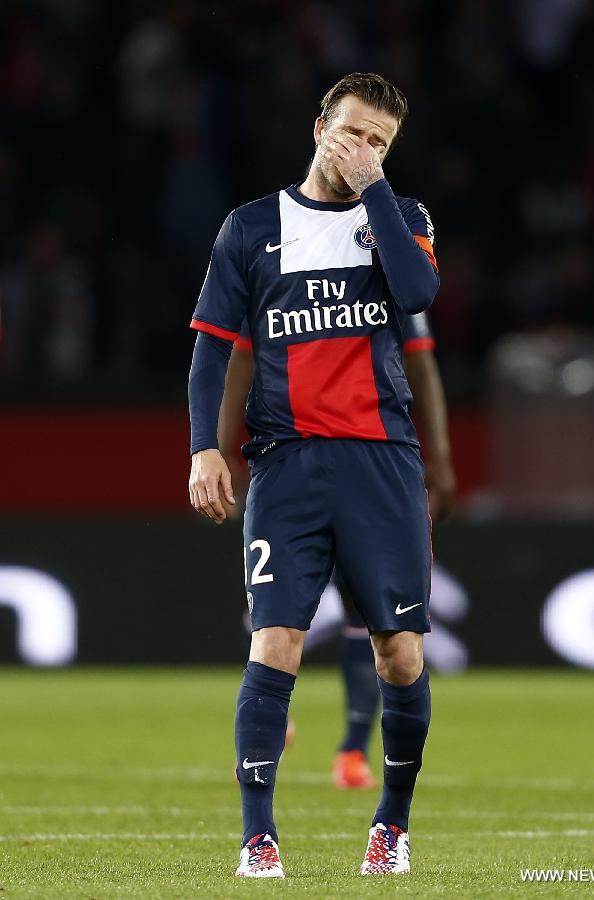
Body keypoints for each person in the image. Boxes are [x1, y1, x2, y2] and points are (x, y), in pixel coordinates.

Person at [187, 72, 440, 878]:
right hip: (287, 463)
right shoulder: (252, 227)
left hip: (382, 464)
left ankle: (391, 826)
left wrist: (375, 193)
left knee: (399, 654)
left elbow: (418, 290)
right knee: (276, 641)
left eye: (381, 142)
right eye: (354, 133)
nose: (364, 150)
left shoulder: (402, 220)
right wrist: (204, 446)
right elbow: (212, 345)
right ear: (320, 126)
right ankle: (257, 837)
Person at [218, 314, 455, 791]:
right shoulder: (273, 264)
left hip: (369, 462)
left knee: (371, 621)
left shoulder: (387, 266)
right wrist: (223, 450)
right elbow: (240, 354)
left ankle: (351, 748)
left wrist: (440, 457)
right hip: (290, 460)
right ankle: (273, 719)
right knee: (271, 619)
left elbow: (419, 359)